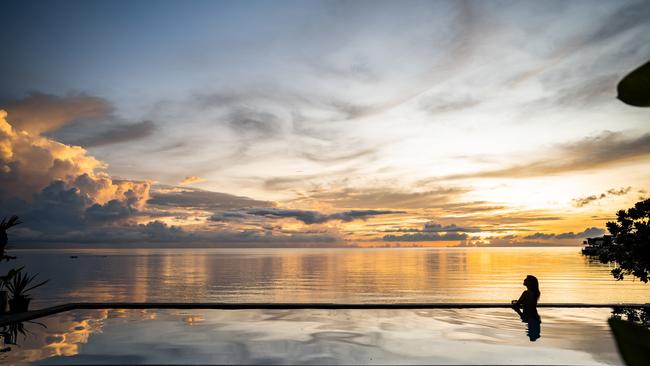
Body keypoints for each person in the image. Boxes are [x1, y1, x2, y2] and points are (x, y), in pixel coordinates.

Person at [512, 275, 542, 341]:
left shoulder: (526, 293)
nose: (524, 280)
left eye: (526, 279)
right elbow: (529, 303)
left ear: (530, 283)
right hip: (534, 315)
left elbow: (517, 305)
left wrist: (514, 303)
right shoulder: (536, 293)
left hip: (528, 315)